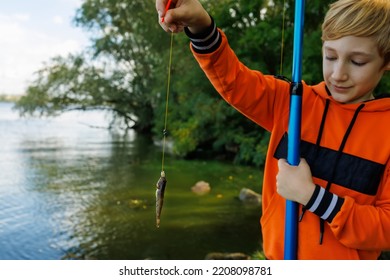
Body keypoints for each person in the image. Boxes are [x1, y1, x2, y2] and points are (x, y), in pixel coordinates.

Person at [156, 0, 390, 259]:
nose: (338, 74)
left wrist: (312, 197)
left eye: (357, 61)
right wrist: (201, 25)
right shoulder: (292, 102)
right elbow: (234, 80)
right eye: (331, 56)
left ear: (386, 61)